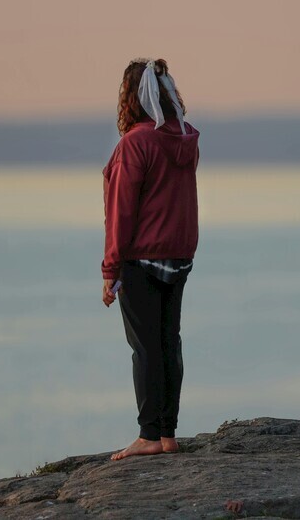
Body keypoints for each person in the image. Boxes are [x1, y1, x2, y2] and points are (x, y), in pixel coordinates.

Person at [101, 57, 200, 461]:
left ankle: (148, 436)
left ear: (130, 98)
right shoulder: (185, 138)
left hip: (142, 258)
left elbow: (122, 213)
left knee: (145, 348)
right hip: (178, 256)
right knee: (167, 342)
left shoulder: (136, 144)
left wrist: (111, 270)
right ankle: (168, 434)